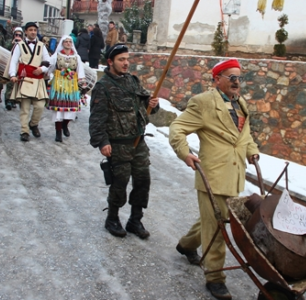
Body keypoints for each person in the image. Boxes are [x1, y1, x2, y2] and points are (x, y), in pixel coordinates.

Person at [168, 59, 260, 300]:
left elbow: (244, 135)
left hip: (234, 175)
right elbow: (177, 128)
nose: (236, 82)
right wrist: (184, 152)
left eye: (239, 77)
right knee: (217, 228)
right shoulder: (204, 103)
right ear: (217, 79)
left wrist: (252, 150)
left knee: (215, 219)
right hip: (213, 175)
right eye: (231, 77)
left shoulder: (240, 104)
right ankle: (215, 277)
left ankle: (187, 244)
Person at [89, 43, 160, 239]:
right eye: (121, 59)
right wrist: (102, 142)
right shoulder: (103, 88)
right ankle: (112, 218)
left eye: (127, 59)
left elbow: (147, 105)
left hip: (138, 142)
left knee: (143, 181)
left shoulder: (133, 82)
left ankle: (135, 220)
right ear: (110, 62)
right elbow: (96, 119)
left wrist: (153, 104)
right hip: (118, 144)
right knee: (120, 183)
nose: (126, 63)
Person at [8, 22, 51, 142]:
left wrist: (41, 69)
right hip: (25, 80)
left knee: (40, 106)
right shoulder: (19, 45)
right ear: (25, 32)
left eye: (35, 30)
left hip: (38, 79)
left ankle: (33, 124)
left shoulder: (42, 46)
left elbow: (48, 61)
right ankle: (24, 131)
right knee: (25, 108)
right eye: (30, 30)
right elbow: (13, 61)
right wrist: (12, 74)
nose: (33, 32)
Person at [47, 35, 87, 142]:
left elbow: (80, 70)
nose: (68, 43)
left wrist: (81, 83)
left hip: (71, 85)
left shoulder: (76, 57)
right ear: (62, 43)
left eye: (70, 42)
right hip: (59, 84)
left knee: (71, 109)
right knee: (58, 110)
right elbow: (49, 67)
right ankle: (58, 132)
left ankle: (65, 124)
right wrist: (47, 76)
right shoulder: (57, 55)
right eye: (66, 41)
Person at [2, 27, 23, 111]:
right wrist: (12, 44)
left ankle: (13, 100)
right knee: (9, 84)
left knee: (17, 85)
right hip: (10, 64)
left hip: (20, 65)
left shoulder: (24, 43)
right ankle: (8, 101)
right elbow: (5, 49)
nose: (18, 36)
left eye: (20, 35)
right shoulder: (9, 41)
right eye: (16, 34)